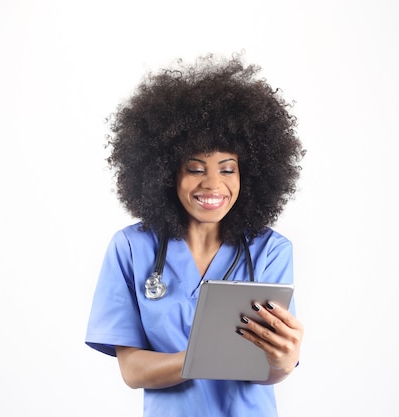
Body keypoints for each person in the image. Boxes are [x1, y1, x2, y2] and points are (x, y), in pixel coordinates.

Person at [85, 52, 306, 417]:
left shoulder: (270, 250)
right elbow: (132, 370)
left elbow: (272, 369)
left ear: (248, 173)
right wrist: (205, 356)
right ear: (164, 171)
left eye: (228, 168)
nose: (213, 184)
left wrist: (286, 358)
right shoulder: (131, 248)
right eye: (194, 168)